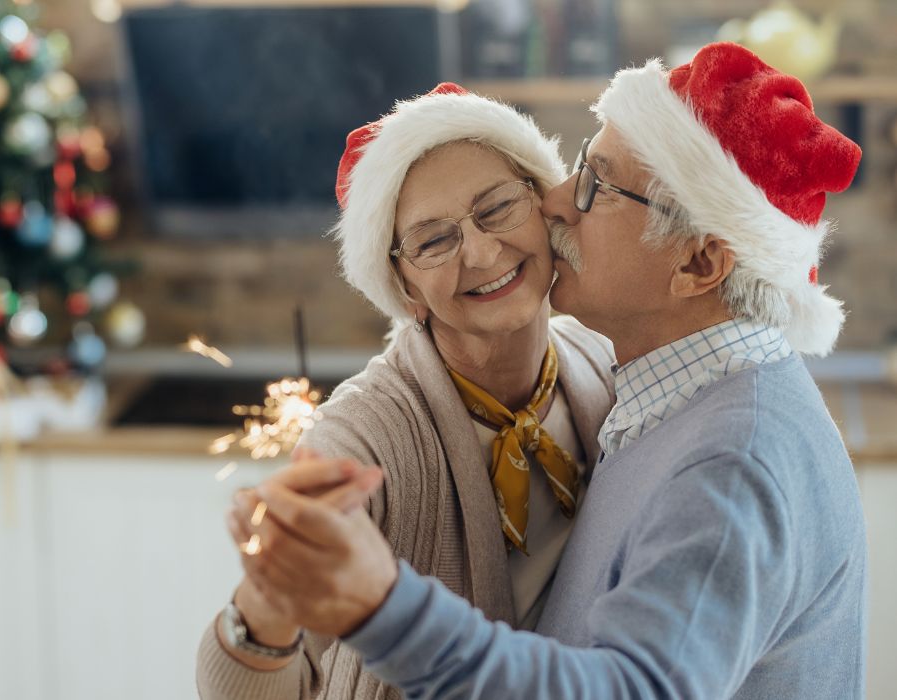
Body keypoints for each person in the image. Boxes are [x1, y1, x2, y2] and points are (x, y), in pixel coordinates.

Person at [230, 43, 868, 699]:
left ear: (700, 266)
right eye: (433, 239)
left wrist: (383, 607)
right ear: (404, 285)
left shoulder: (727, 465)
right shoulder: (665, 394)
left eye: (597, 183)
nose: (558, 201)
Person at [195, 83, 616, 699]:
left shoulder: (605, 365)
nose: (480, 250)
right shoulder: (360, 436)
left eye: (498, 207)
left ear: (545, 207)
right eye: (433, 240)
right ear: (405, 289)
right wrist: (266, 598)